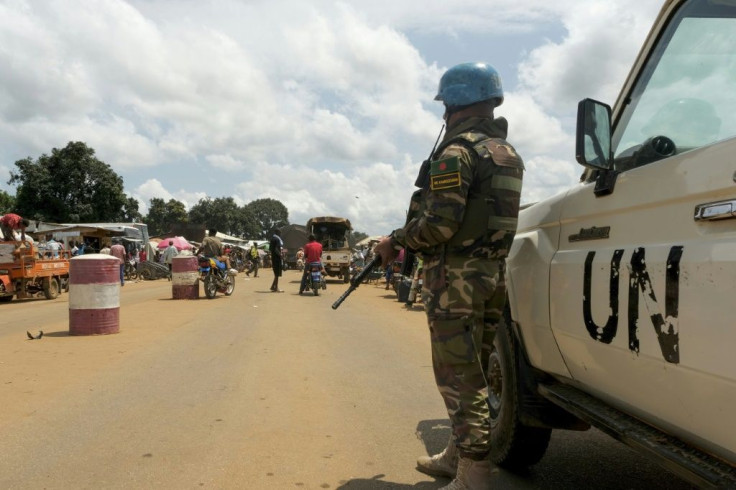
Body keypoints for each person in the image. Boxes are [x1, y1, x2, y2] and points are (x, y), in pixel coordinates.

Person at [374, 62, 524, 490]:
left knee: (460, 374)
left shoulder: (457, 153)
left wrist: (396, 240)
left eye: (445, 106)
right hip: (492, 276)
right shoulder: (506, 153)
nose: (443, 115)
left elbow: (439, 225)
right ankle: (458, 455)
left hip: (455, 278)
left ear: (454, 104)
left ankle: (474, 473)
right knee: (474, 364)